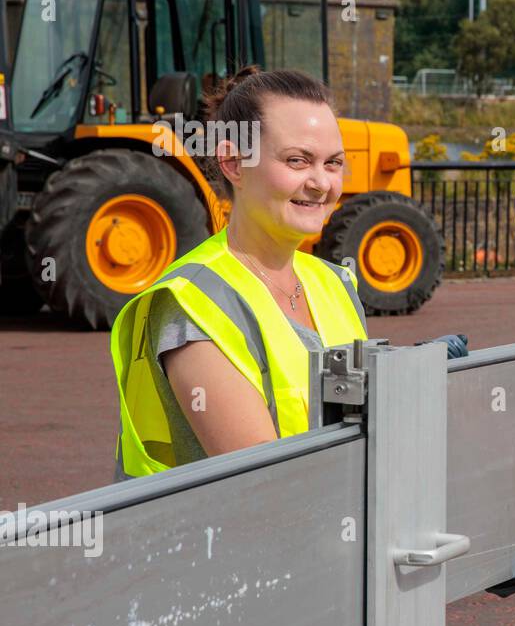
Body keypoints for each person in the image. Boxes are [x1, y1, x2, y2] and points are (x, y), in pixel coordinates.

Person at [111, 66, 368, 479]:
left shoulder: (334, 283)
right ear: (233, 163)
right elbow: (263, 481)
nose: (321, 183)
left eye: (333, 163)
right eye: (298, 160)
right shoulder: (194, 302)